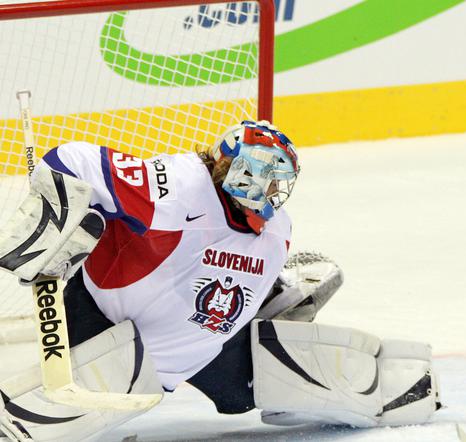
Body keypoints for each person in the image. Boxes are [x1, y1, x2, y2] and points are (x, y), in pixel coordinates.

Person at [0, 120, 440, 441]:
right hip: (109, 325)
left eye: (277, 181)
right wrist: (55, 219)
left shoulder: (278, 229)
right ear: (230, 164)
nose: (269, 190)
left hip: (199, 347)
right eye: (263, 173)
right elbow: (69, 160)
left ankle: (273, 302)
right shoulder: (178, 188)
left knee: (243, 396)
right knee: (48, 423)